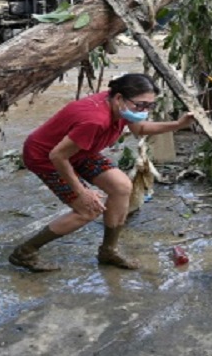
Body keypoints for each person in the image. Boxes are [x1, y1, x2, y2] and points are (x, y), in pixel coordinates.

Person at [10, 73, 194, 272]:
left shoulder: (121, 106)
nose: (144, 111)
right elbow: (58, 156)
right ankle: (25, 252)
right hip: (47, 158)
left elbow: (139, 127)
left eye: (149, 106)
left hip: (80, 151)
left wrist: (177, 125)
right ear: (118, 98)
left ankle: (108, 251)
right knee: (88, 210)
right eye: (140, 105)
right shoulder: (95, 120)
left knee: (122, 186)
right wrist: (82, 192)